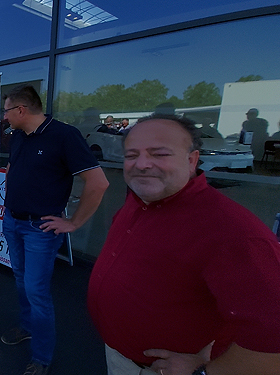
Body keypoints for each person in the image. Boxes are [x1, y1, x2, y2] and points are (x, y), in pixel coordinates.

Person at [88, 114, 280, 375]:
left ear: (191, 160)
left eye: (159, 154)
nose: (142, 164)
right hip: (119, 357)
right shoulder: (140, 200)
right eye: (132, 155)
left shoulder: (234, 232)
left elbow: (273, 341)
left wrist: (204, 373)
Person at [0, 85, 108, 375]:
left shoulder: (64, 135)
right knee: (21, 280)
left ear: (21, 109)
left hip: (40, 228)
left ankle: (42, 357)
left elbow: (98, 183)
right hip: (13, 221)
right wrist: (9, 206)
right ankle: (27, 326)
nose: (4, 117)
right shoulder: (19, 137)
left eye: (7, 111)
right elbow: (12, 172)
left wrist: (73, 223)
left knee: (37, 290)